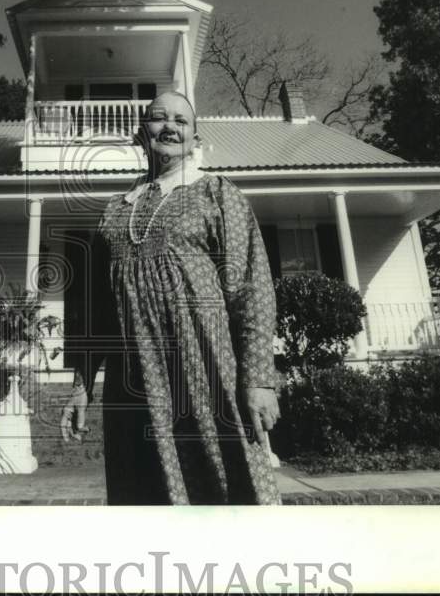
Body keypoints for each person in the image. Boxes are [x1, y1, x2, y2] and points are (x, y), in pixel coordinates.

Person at [61, 91, 281, 504]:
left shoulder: (216, 194)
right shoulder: (114, 211)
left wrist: (258, 381)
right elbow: (96, 313)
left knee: (222, 483)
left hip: (205, 371)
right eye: (159, 119)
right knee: (145, 494)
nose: (169, 127)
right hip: (134, 382)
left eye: (180, 121)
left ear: (194, 137)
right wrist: (82, 386)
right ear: (140, 134)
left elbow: (251, 290)